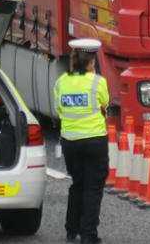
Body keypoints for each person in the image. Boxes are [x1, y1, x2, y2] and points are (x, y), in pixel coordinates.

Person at [53, 38, 109, 244]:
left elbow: (59, 110)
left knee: (77, 184)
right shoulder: (98, 82)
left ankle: (71, 230)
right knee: (93, 187)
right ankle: (88, 235)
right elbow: (105, 104)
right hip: (94, 140)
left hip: (70, 141)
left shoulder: (61, 82)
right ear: (91, 61)